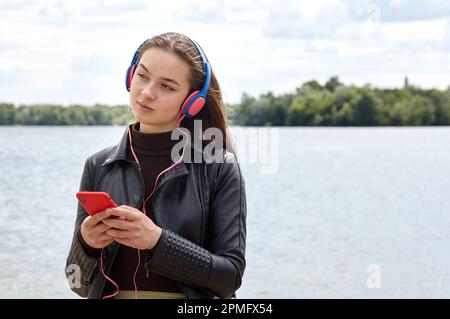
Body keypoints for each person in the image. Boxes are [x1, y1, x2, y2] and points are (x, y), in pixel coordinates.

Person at [65, 32, 247, 299]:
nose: (147, 92)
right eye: (143, 75)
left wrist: (158, 241)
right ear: (130, 76)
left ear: (192, 102)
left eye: (167, 86)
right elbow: (77, 284)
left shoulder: (219, 167)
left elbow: (229, 279)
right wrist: (87, 244)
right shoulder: (98, 165)